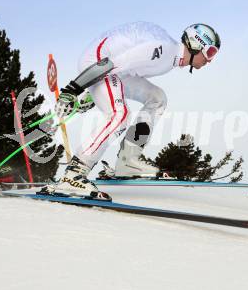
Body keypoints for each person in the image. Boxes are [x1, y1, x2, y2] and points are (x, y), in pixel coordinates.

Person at [45, 22, 221, 201]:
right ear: (196, 44)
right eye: (211, 52)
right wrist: (72, 90)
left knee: (157, 98)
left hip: (111, 70)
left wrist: (92, 96)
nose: (210, 59)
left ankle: (128, 161)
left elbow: (125, 71)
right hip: (97, 62)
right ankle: (74, 173)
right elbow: (109, 64)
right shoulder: (163, 50)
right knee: (119, 115)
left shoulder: (169, 60)